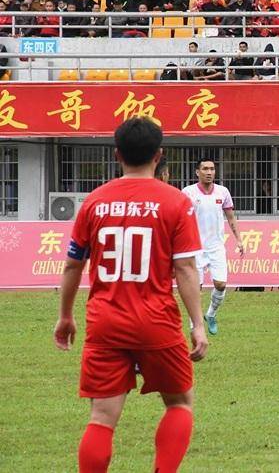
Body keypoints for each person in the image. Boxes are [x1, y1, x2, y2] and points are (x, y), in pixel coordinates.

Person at [53, 117, 208, 473]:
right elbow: (185, 269)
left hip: (105, 322)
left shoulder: (94, 202)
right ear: (159, 155)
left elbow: (73, 266)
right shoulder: (176, 203)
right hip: (156, 321)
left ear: (117, 155)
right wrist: (198, 324)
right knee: (180, 403)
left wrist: (65, 316)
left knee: (102, 417)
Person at [181, 158, 246, 336]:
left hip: (216, 247)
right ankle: (194, 326)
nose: (209, 172)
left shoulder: (222, 192)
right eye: (205, 169)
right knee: (195, 288)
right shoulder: (188, 192)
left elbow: (231, 217)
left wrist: (239, 240)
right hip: (195, 248)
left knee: (221, 284)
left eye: (212, 169)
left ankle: (210, 314)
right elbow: (180, 218)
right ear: (197, 172)